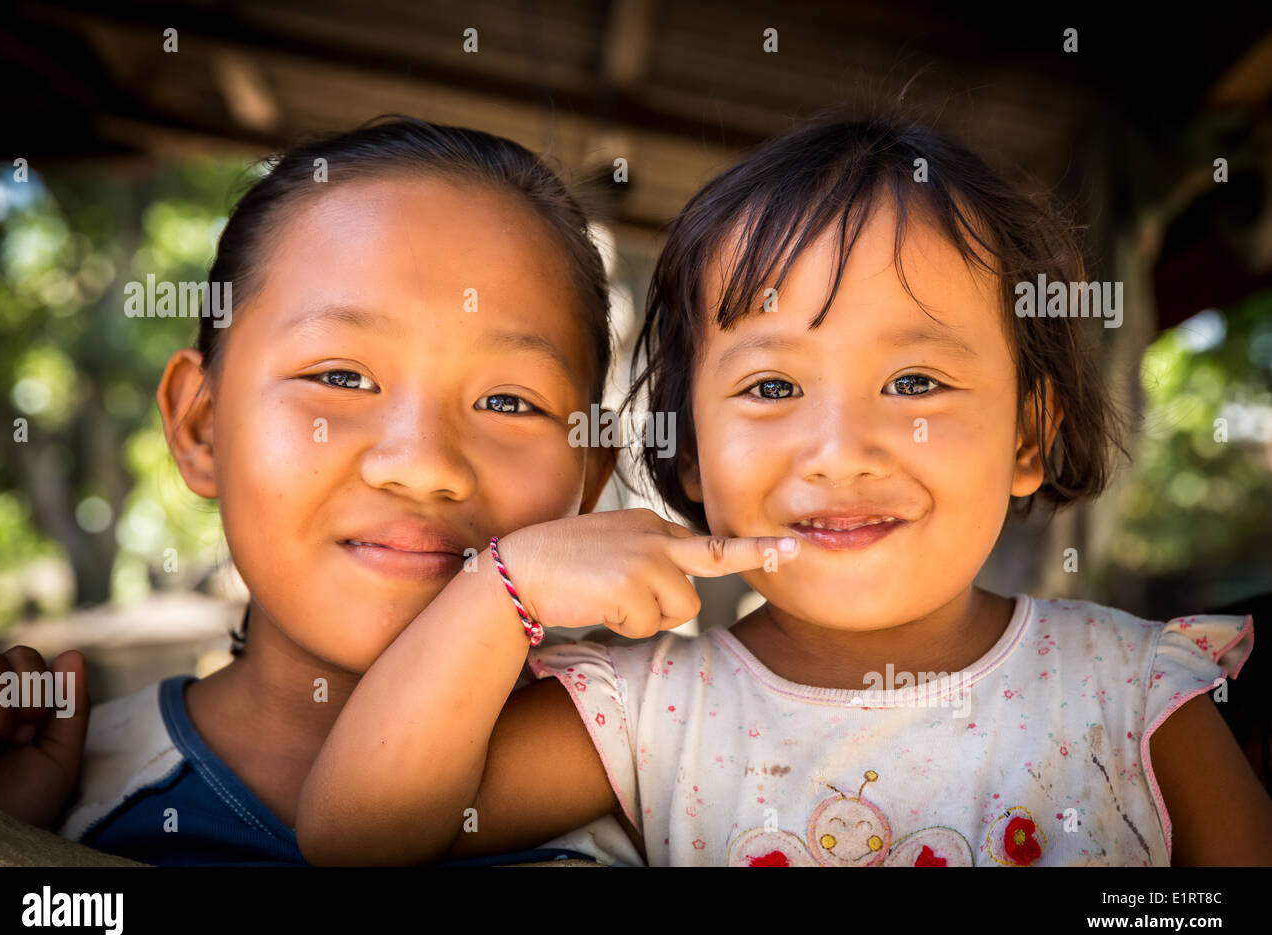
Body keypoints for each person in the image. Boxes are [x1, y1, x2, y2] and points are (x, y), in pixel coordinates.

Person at [297, 114, 1272, 866]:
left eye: (914, 383)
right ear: (689, 453)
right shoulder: (650, 718)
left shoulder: (1131, 690)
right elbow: (358, 837)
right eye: (771, 387)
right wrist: (504, 585)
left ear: (1028, 434)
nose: (840, 452)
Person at [0, 115, 641, 865]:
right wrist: (3, 839)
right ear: (202, 427)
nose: (423, 464)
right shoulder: (52, 793)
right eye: (341, 377)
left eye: (509, 402)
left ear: (590, 478)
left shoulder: (679, 784)